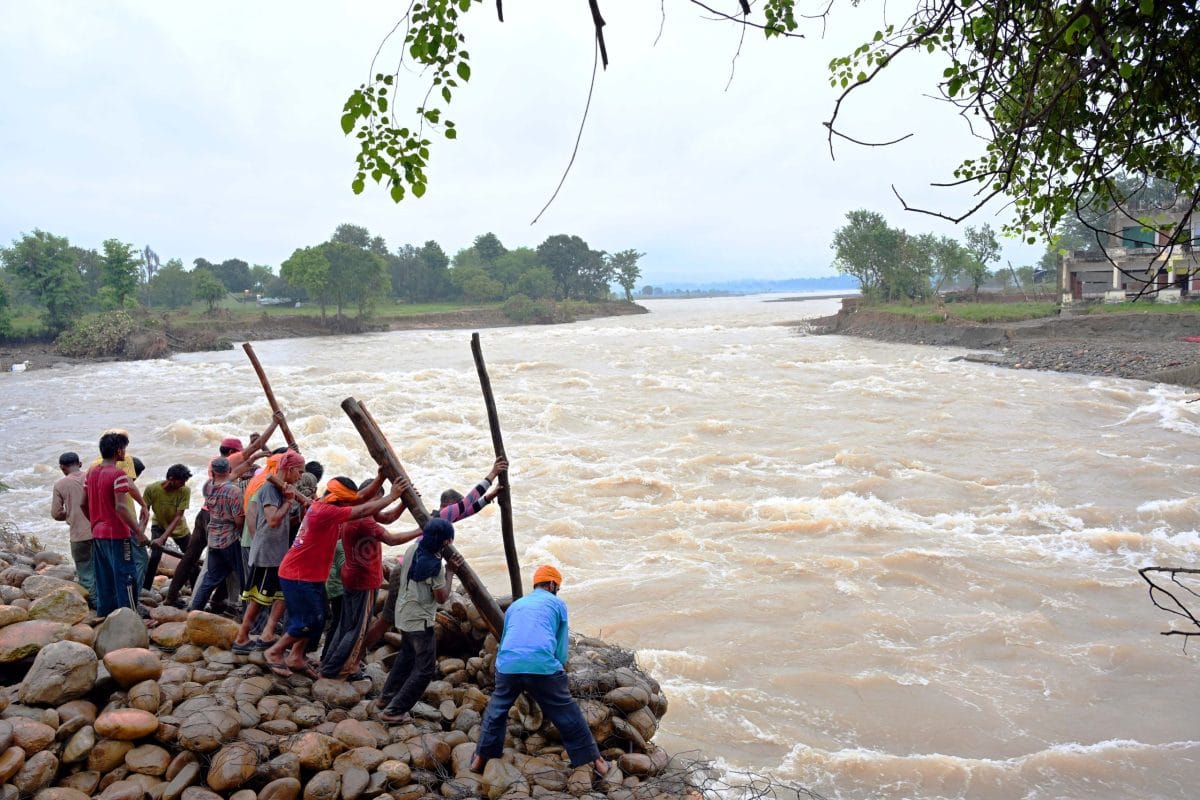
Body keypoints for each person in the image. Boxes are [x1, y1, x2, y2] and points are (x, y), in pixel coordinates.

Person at [470, 565, 608, 776]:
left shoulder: (516, 606)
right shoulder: (557, 604)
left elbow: (505, 638)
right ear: (552, 585)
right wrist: (556, 671)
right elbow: (560, 651)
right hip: (541, 667)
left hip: (508, 666)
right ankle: (596, 760)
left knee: (496, 710)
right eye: (557, 587)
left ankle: (480, 759)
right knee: (566, 711)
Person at [264, 472, 404, 678]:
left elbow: (361, 499)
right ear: (340, 499)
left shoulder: (327, 502)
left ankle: (296, 656)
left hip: (311, 575)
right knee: (308, 621)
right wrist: (392, 496)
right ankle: (274, 651)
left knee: (320, 619)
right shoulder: (327, 511)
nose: (352, 503)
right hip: (298, 574)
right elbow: (364, 507)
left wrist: (382, 477)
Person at [163, 418, 278, 608]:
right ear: (232, 455)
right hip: (227, 535)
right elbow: (238, 519)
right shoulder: (232, 489)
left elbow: (239, 468)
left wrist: (254, 458)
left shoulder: (209, 483)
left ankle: (188, 603)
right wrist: (274, 424)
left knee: (199, 562)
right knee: (239, 571)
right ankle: (240, 607)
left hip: (208, 522)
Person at [319, 478, 421, 680]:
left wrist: (403, 503)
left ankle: (332, 663)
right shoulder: (363, 520)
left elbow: (388, 517)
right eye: (378, 498)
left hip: (355, 577)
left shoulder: (357, 511)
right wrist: (421, 530)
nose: (379, 504)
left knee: (347, 625)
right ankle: (338, 668)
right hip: (362, 580)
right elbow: (392, 539)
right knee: (356, 630)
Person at [375, 517, 461, 723]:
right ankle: (394, 711)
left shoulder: (413, 550)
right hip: (420, 622)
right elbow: (442, 596)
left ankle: (385, 698)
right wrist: (450, 572)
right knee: (425, 669)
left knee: (406, 656)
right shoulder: (434, 566)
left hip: (404, 614)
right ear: (445, 542)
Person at [232, 450, 308, 653]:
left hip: (277, 551)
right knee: (258, 598)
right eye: (299, 472)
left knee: (281, 594)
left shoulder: (281, 490)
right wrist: (289, 502)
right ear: (290, 469)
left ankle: (267, 633)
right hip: (266, 552)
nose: (300, 477)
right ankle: (241, 638)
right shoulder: (269, 490)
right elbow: (273, 520)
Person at [84, 431, 151, 617]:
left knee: (104, 576)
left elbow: (83, 503)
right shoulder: (118, 474)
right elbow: (121, 507)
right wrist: (138, 532)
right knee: (126, 577)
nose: (124, 452)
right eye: (124, 449)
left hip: (97, 532)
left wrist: (95, 521)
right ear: (118, 451)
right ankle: (129, 617)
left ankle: (104, 615)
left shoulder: (91, 473)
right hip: (117, 534)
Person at [189, 457, 245, 612]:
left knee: (210, 579)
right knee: (243, 577)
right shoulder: (234, 491)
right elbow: (239, 520)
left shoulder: (207, 486)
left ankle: (194, 610)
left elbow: (226, 479)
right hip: (230, 538)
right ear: (229, 470)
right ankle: (248, 616)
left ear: (212, 472)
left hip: (213, 537)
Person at [51, 452, 94, 601]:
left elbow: (56, 513)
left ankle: (95, 603)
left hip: (79, 536)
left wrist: (70, 514)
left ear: (62, 468)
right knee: (103, 569)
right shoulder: (92, 476)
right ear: (80, 464)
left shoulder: (60, 484)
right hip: (102, 532)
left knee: (85, 570)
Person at [142, 464, 193, 591]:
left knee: (192, 558)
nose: (183, 484)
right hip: (159, 524)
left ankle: (194, 589)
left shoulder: (184, 491)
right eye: (181, 481)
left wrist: (162, 539)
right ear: (171, 479)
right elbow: (144, 513)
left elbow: (178, 516)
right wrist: (140, 532)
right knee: (154, 557)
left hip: (179, 528)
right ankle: (145, 589)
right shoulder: (152, 489)